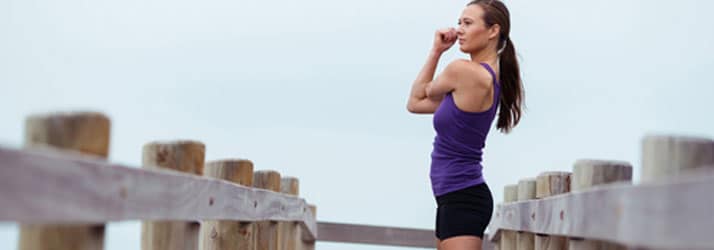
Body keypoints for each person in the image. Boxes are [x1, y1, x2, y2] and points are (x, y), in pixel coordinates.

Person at [406, 0, 524, 249]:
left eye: (468, 23)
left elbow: (419, 94)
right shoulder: (478, 78)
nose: (459, 29)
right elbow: (415, 105)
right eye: (459, 22)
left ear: (493, 30)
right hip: (452, 197)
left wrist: (436, 51)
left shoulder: (464, 72)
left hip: (463, 197)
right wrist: (437, 52)